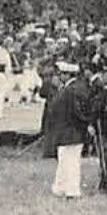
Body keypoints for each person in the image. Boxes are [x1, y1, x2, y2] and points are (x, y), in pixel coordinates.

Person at [43, 61, 93, 199]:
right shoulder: (70, 89)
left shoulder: (71, 90)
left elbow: (77, 112)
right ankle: (60, 188)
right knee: (65, 160)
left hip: (70, 132)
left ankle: (72, 190)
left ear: (67, 75)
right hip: (68, 132)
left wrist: (85, 125)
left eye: (61, 74)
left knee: (70, 162)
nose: (59, 77)